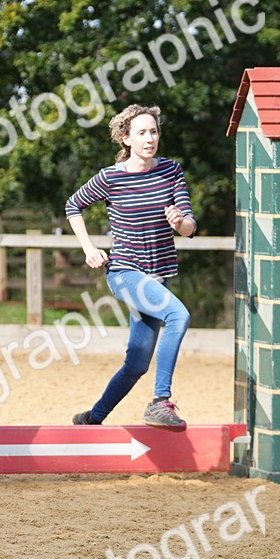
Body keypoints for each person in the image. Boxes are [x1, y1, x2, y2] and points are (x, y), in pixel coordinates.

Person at [65, 104, 196, 429]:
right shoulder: (110, 177)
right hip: (125, 272)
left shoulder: (171, 171)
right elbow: (73, 205)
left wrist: (180, 222)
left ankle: (91, 419)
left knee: (137, 362)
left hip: (158, 275)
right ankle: (160, 402)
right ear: (126, 138)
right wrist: (89, 248)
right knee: (178, 316)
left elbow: (190, 226)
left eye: (154, 131)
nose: (150, 138)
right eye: (142, 132)